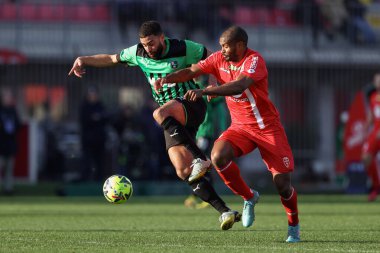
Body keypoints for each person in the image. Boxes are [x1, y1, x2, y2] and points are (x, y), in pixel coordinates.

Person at [68, 20, 240, 230]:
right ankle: (225, 211)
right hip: (173, 119)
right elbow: (112, 59)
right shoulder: (137, 53)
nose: (148, 48)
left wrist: (213, 83)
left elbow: (212, 57)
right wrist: (83, 59)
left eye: (151, 43)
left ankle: (201, 158)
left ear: (162, 37)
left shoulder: (183, 47)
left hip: (192, 104)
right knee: (183, 169)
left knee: (159, 112)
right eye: (144, 44)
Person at [155, 26, 301, 242]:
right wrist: (168, 78)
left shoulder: (254, 61)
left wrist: (204, 91)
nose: (222, 50)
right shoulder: (217, 59)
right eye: (221, 45)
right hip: (241, 127)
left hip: (268, 128)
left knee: (282, 185)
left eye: (226, 45)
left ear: (240, 45)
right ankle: (249, 197)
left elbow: (239, 86)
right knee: (217, 157)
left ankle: (293, 227)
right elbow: (193, 71)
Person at [79, 86, 108, 182]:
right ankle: (85, 180)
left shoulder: (101, 106)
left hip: (99, 140)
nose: (93, 96)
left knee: (100, 161)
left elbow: (105, 118)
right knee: (86, 161)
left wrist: (97, 118)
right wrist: (95, 118)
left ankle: (99, 180)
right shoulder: (84, 107)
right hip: (87, 140)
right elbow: (85, 120)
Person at [361, 73, 380, 201]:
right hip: (376, 131)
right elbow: (372, 115)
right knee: (366, 157)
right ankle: (376, 186)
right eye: (377, 80)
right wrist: (366, 127)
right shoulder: (373, 97)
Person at [0, 88, 21, 195]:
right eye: (6, 96)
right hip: (1, 144)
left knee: (9, 169)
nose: (8, 99)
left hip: (10, 144)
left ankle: (8, 189)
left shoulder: (13, 111)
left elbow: (18, 124)